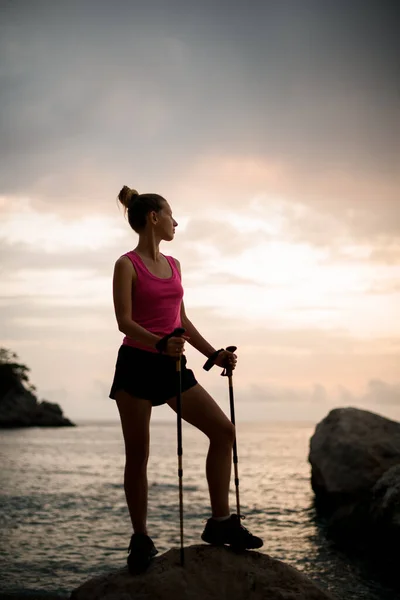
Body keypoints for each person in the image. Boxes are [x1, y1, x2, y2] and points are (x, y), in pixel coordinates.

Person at [109, 186, 263, 574]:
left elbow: (182, 322)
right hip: (138, 364)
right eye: (171, 215)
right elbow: (124, 322)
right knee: (138, 456)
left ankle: (220, 522)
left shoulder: (175, 265)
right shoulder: (126, 264)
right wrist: (159, 344)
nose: (177, 222)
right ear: (154, 218)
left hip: (172, 363)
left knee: (223, 431)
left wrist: (213, 355)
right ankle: (141, 538)